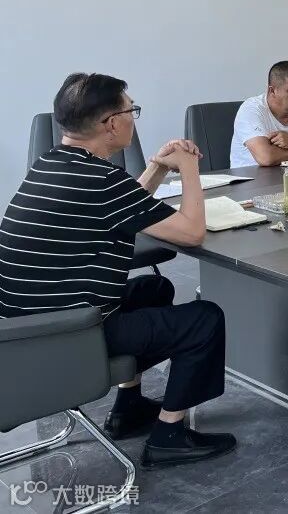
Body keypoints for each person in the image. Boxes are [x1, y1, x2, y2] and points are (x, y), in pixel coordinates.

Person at [0, 73, 236, 468]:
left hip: (28, 331)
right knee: (204, 319)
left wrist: (158, 166)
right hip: (66, 338)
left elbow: (125, 205)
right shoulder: (100, 179)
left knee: (152, 291)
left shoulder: (52, 164)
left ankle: (128, 407)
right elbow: (192, 232)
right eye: (132, 111)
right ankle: (168, 437)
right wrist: (189, 168)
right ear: (111, 123)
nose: (133, 118)